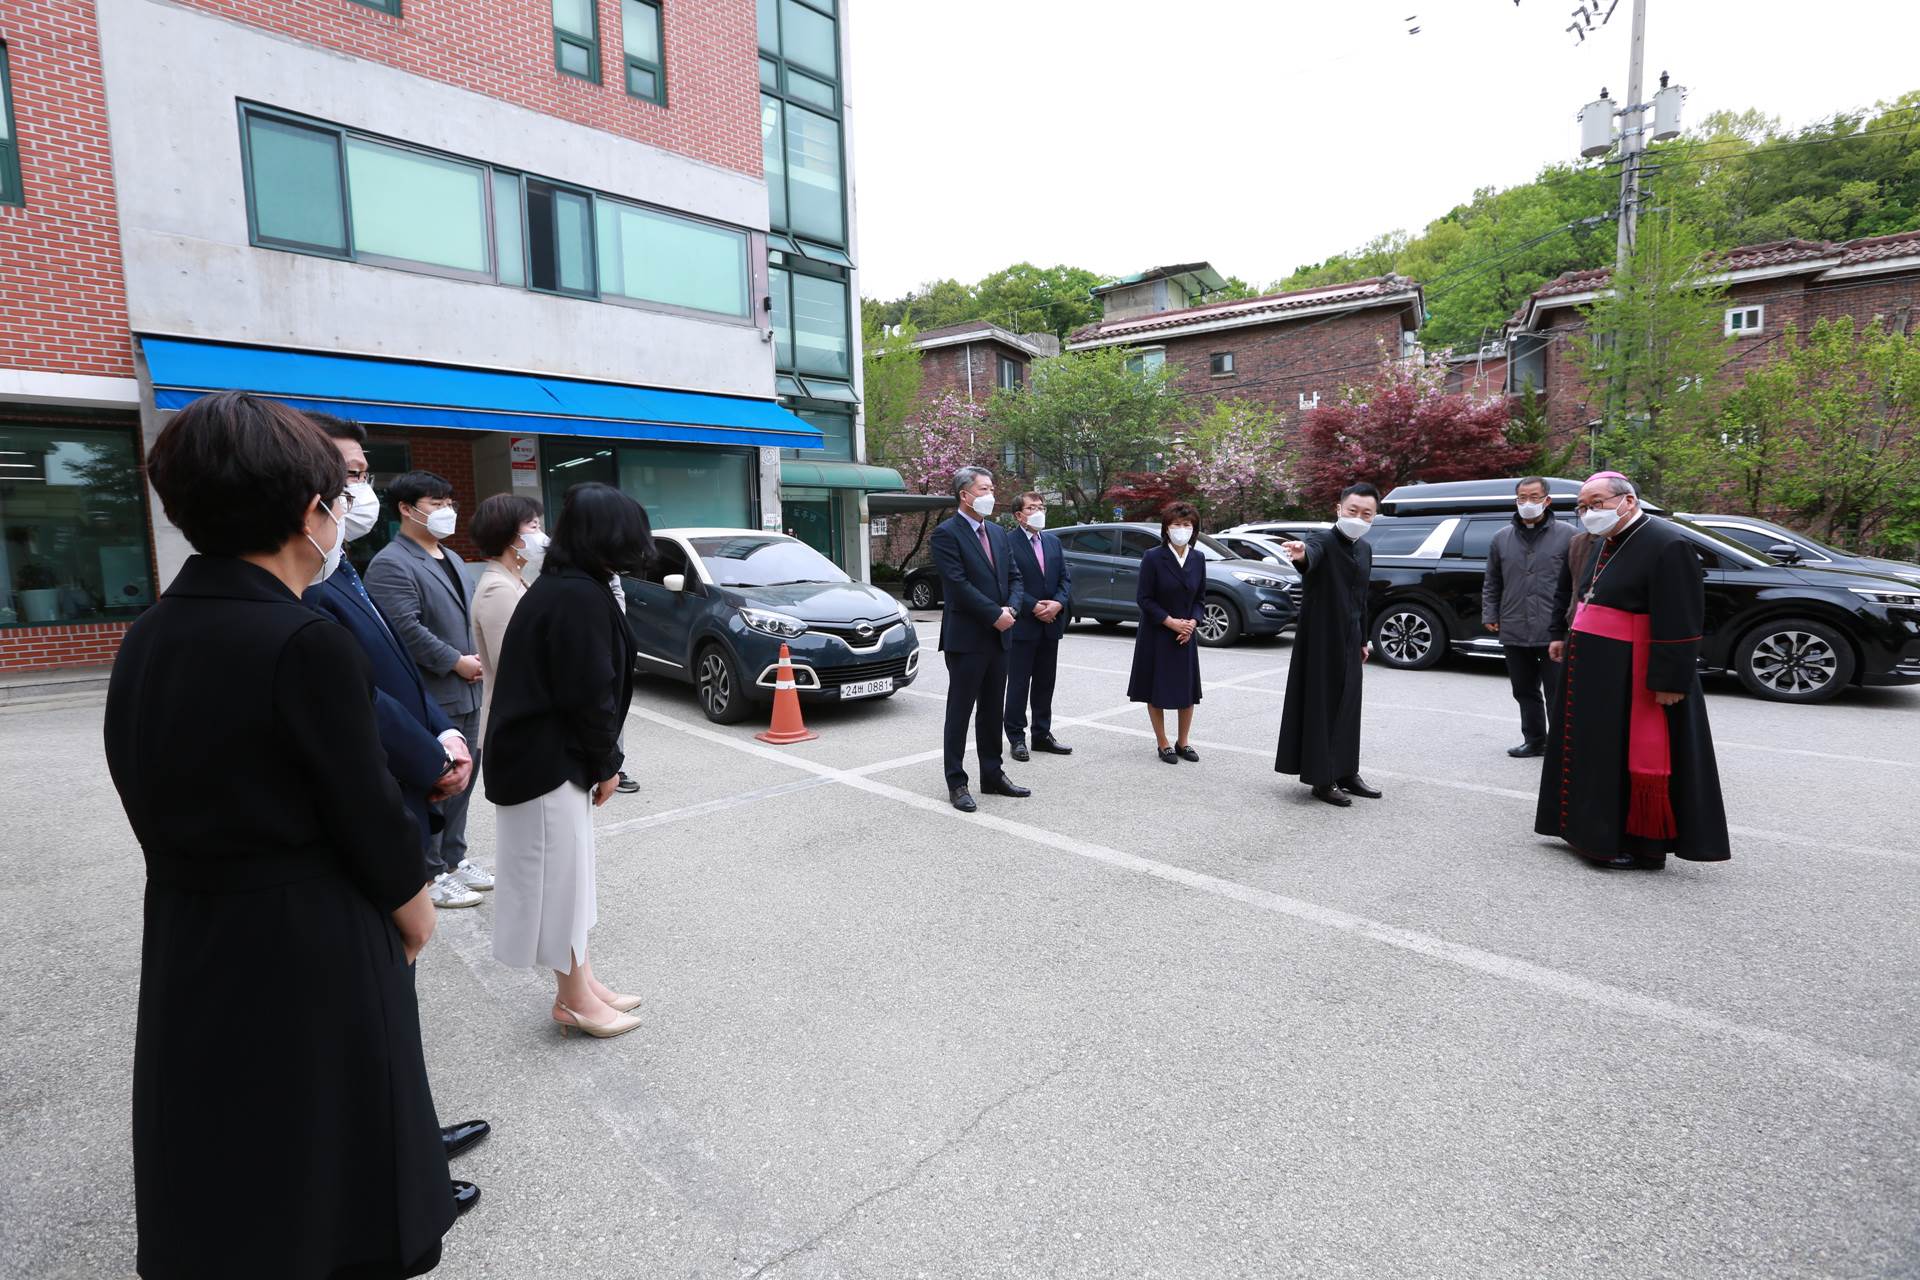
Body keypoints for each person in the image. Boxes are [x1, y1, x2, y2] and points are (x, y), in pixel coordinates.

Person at [103, 390, 455, 1279]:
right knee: (331, 1164)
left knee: (228, 1152)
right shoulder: (303, 640)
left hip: (191, 927)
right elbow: (363, 806)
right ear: (310, 511)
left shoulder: (149, 633)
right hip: (310, 935)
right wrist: (414, 908)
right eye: (337, 496)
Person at [302, 414, 491, 1190]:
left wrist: (436, 736)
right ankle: (396, 1162)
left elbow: (389, 676)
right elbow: (361, 688)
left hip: (420, 754)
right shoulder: (311, 589)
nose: (358, 490)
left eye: (362, 474)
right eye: (346, 476)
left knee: (390, 1006)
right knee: (369, 1008)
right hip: (376, 812)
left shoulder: (341, 567)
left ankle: (408, 1132)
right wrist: (428, 752)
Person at [484, 482, 650, 1037]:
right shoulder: (576, 595)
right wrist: (608, 763)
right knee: (558, 882)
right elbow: (588, 692)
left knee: (570, 879)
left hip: (549, 757)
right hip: (547, 761)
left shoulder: (569, 585)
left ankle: (581, 981)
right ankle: (573, 999)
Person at [1536, 472, 1731, 870]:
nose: (1588, 512)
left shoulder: (1667, 543)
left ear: (1627, 501)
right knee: (1593, 752)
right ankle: (1584, 830)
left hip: (1633, 673)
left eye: (1597, 503)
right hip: (1595, 671)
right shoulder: (1604, 541)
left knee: (1622, 755)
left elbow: (1681, 618)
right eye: (1582, 506)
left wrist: (1670, 680)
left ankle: (1630, 843)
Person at [365, 471, 489, 907]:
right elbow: (404, 629)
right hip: (431, 695)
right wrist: (455, 661)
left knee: (464, 780)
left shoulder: (450, 557)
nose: (447, 511)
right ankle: (430, 871)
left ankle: (454, 857)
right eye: (436, 504)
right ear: (406, 508)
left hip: (469, 692)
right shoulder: (390, 563)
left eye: (449, 503)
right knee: (433, 781)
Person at [1276, 482, 1382, 807]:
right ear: (1339, 509)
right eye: (1353, 510)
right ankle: (1321, 779)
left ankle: (1347, 771)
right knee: (1322, 706)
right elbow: (1310, 556)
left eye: (1367, 514)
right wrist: (1301, 556)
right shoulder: (1321, 540)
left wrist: (1363, 639)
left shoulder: (1365, 548)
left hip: (1351, 639)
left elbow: (1361, 598)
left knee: (1349, 705)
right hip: (1320, 639)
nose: (1358, 518)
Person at [930, 465, 1029, 812]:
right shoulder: (946, 534)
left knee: (992, 710)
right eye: (984, 489)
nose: (991, 495)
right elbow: (958, 585)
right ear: (965, 495)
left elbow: (1015, 578)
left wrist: (1012, 610)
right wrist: (994, 614)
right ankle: (957, 782)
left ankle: (992, 774)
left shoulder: (998, 533)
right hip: (967, 638)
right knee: (960, 712)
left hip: (1000, 635)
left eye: (992, 489)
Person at [1483, 476, 1576, 758]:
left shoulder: (1569, 535)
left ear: (1547, 500)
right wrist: (1490, 612)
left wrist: (1571, 621)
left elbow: (1578, 582)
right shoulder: (1501, 538)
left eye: (1534, 497)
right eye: (1522, 498)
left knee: (1558, 692)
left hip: (1554, 629)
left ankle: (1561, 745)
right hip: (1514, 624)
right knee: (1524, 689)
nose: (1528, 503)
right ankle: (1535, 740)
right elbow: (1492, 581)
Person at [1126, 501, 1206, 763]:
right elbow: (1144, 598)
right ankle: (1162, 742)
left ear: (1194, 529)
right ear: (1166, 529)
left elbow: (1200, 598)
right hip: (1158, 631)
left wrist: (1192, 623)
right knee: (1156, 688)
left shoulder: (1198, 558)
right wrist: (1170, 622)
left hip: (1186, 633)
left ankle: (1183, 741)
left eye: (1186, 525)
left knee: (1187, 690)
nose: (1181, 529)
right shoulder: (1153, 557)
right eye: (1176, 525)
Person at [467, 492, 545, 747]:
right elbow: (511, 664)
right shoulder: (498, 587)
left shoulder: (517, 579)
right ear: (507, 534)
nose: (540, 534)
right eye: (533, 526)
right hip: (517, 725)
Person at [1004, 491, 1073, 761]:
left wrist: (1057, 603)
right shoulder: (1007, 542)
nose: (1039, 511)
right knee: (1018, 684)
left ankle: (1042, 734)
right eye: (1032, 507)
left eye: (1041, 507)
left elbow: (1065, 579)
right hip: (1023, 624)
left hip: (1051, 624)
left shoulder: (1053, 542)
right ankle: (1016, 737)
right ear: (1018, 515)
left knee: (1045, 683)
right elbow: (1008, 582)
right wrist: (1033, 606)